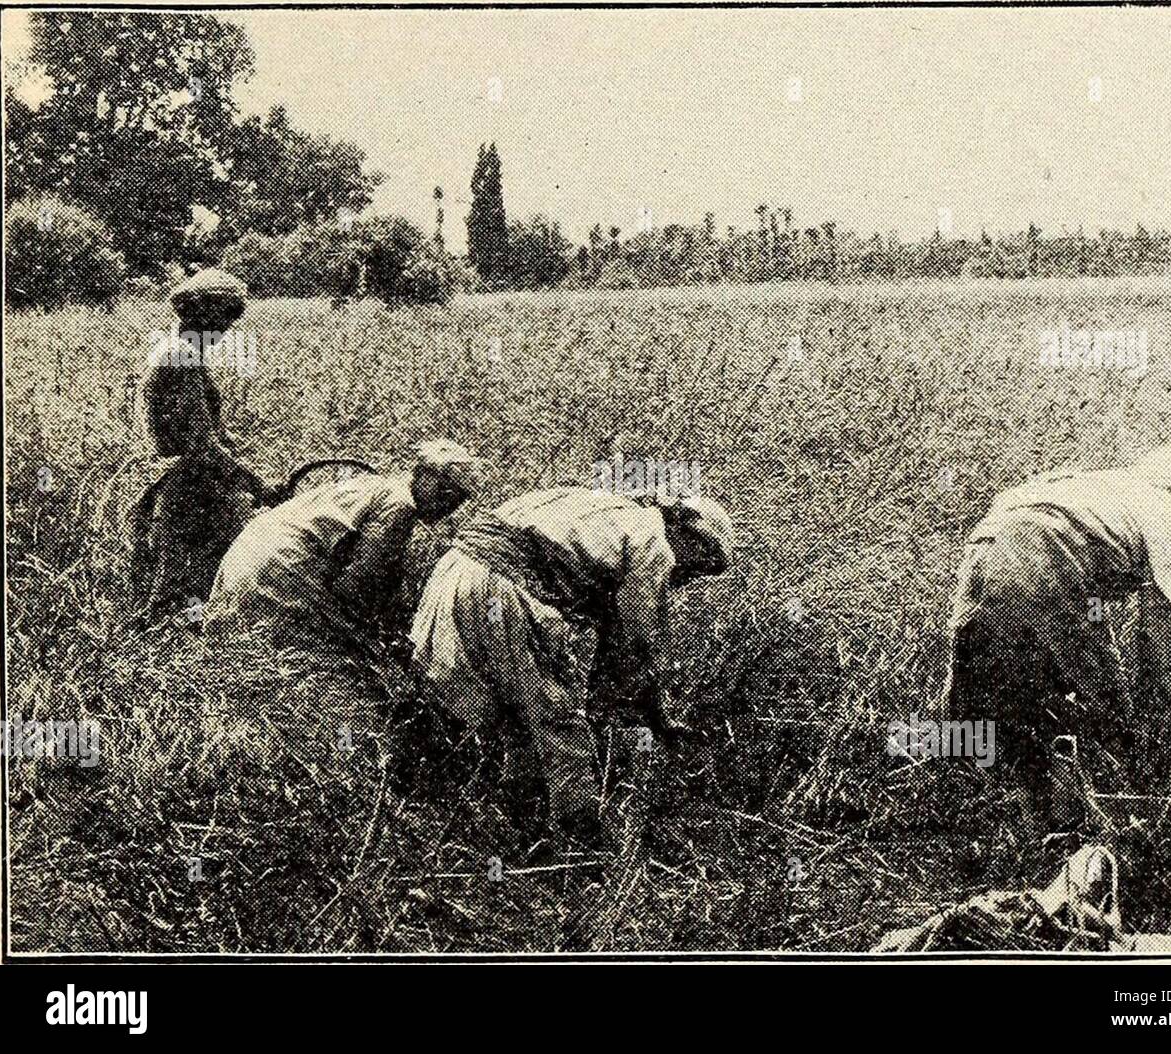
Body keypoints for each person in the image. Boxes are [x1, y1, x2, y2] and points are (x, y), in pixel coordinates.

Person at [409, 486, 735, 846]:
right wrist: (629, 714)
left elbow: (618, 641)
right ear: (689, 534)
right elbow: (635, 645)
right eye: (703, 564)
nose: (692, 576)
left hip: (453, 573)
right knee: (559, 724)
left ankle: (504, 822)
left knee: (511, 716)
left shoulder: (605, 509)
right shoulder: (652, 542)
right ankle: (581, 845)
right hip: (501, 588)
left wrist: (652, 712)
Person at [938, 445, 1171, 833]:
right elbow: (1161, 631)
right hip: (1047, 549)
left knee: (981, 699)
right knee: (1104, 707)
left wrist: (1101, 652)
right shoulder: (1166, 514)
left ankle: (960, 809)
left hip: (987, 547)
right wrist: (1152, 720)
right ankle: (1125, 820)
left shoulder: (1098, 490)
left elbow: (1088, 605)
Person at [203, 440, 485, 768]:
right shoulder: (400, 506)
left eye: (457, 499)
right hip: (281, 573)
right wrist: (384, 644)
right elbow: (358, 589)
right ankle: (349, 764)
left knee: (272, 669)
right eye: (444, 491)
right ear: (421, 474)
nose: (447, 505)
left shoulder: (374, 487)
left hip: (247, 561)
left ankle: (280, 745)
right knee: (345, 690)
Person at [131, 268, 271, 620]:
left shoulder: (179, 353)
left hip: (188, 476)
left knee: (199, 575)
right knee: (176, 582)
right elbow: (201, 445)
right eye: (223, 322)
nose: (225, 333)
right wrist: (259, 484)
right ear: (203, 317)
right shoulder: (180, 358)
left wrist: (233, 445)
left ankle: (189, 630)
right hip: (181, 480)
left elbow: (204, 429)